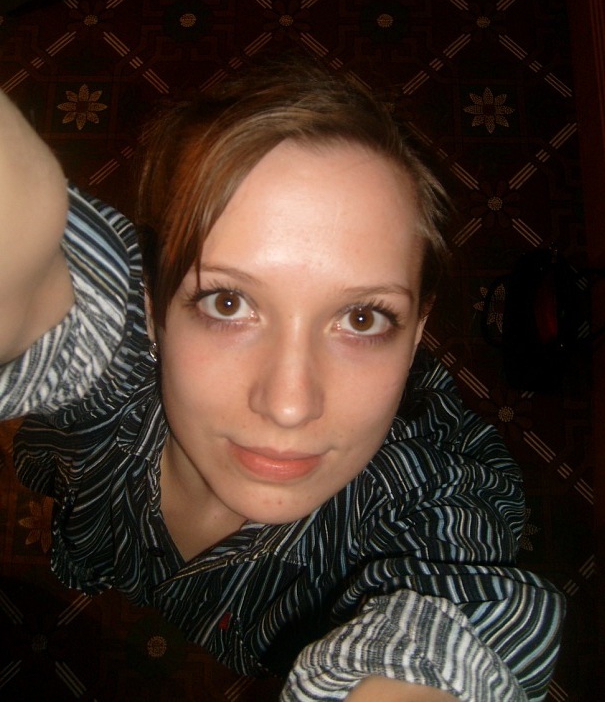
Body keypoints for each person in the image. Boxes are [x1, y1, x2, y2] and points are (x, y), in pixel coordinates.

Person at [0, 58, 564, 701]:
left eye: (362, 318)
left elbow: (461, 626)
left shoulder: (430, 510)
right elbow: (33, 252)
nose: (290, 405)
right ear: (153, 305)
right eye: (227, 302)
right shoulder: (108, 375)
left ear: (417, 331)